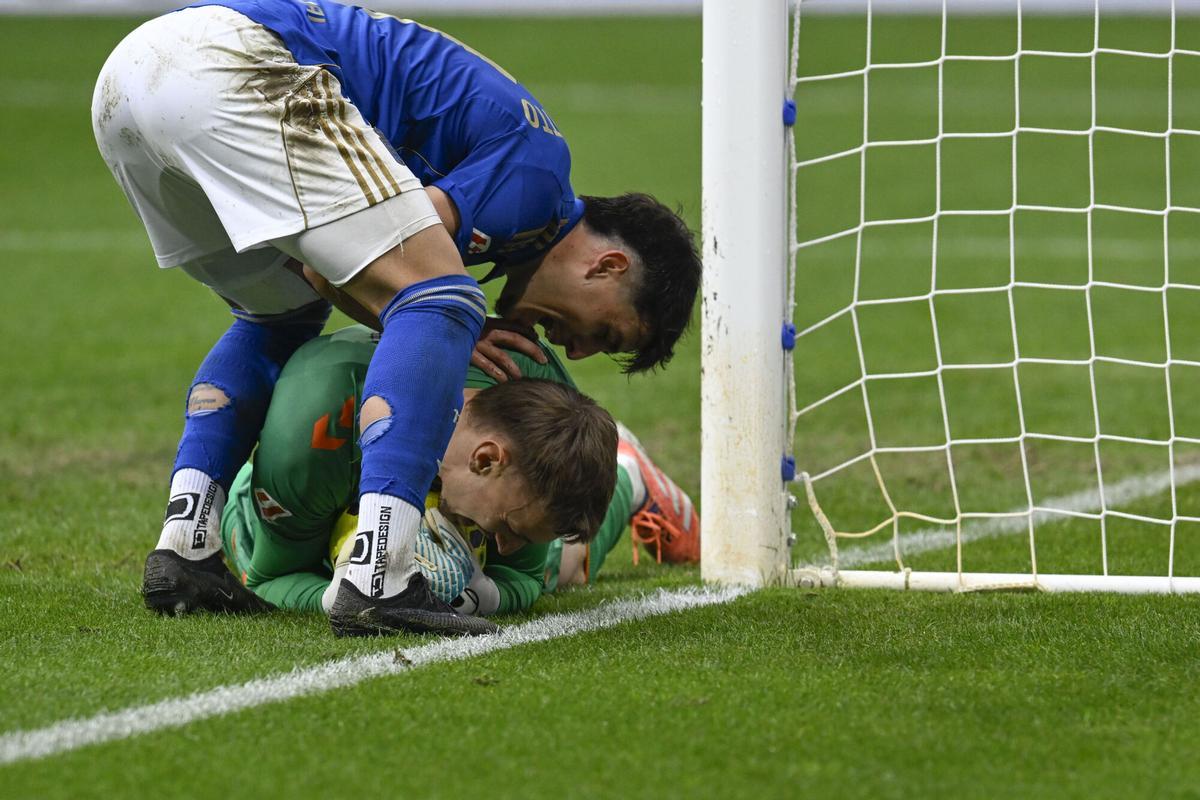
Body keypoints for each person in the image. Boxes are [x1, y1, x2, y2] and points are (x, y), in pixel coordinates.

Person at [90, 0, 701, 637]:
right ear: (608, 267)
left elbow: (322, 277)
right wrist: (452, 328)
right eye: (606, 333)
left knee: (277, 316)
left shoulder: (517, 190)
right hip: (237, 66)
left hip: (133, 83)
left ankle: (185, 548)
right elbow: (378, 277)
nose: (576, 353)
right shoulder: (538, 182)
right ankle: (379, 573)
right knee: (444, 300)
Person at [219, 326, 701, 616]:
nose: (506, 546)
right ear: (485, 459)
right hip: (306, 493)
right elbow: (271, 579)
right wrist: (341, 595)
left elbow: (525, 578)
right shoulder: (314, 431)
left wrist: (479, 595)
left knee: (558, 566)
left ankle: (628, 479)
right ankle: (629, 475)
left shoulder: (537, 392)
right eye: (510, 528)